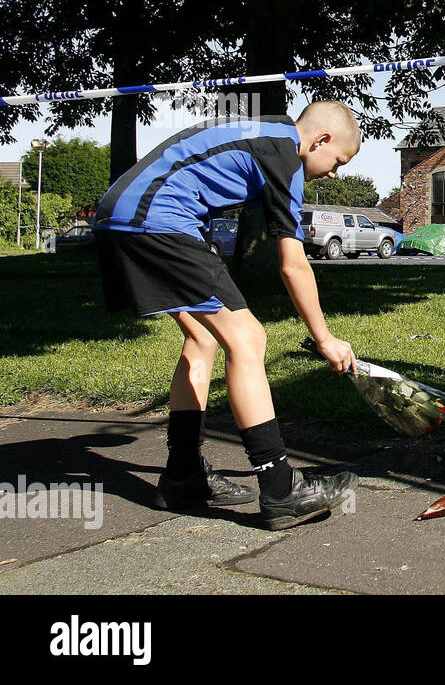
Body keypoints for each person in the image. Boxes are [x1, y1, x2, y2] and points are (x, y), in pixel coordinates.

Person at [93, 100, 362, 530]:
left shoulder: (266, 131)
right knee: (248, 338)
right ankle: (280, 488)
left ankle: (183, 477)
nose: (334, 172)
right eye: (337, 162)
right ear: (320, 140)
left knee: (201, 338)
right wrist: (325, 338)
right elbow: (292, 263)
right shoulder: (284, 153)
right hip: (157, 219)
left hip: (119, 215)